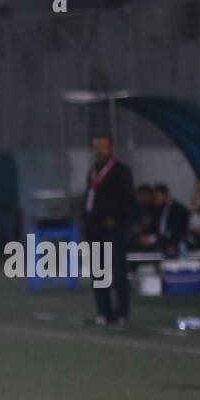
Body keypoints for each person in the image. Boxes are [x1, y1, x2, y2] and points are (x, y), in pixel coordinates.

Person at [82, 134, 134, 327]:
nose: (99, 150)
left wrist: (116, 219)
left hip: (113, 229)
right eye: (96, 146)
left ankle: (122, 313)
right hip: (94, 227)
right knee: (98, 272)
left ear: (111, 148)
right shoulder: (93, 171)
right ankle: (104, 312)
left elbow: (128, 199)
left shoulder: (121, 171)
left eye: (103, 146)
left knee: (118, 271)